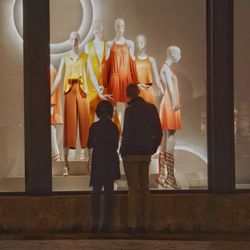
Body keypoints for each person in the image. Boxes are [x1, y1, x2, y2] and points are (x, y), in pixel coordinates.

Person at [51, 31, 106, 176]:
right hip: (69, 92)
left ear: (79, 40)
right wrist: (50, 92)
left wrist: (100, 93)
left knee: (85, 125)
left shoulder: (85, 57)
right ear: (69, 40)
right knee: (69, 126)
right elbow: (58, 78)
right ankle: (66, 164)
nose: (74, 41)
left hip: (82, 92)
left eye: (76, 38)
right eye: (72, 39)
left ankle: (90, 161)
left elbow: (92, 75)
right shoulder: (65, 57)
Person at [120, 84, 162, 233]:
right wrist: (152, 148)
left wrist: (122, 151)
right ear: (139, 92)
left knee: (133, 189)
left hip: (131, 153)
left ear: (127, 94)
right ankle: (145, 222)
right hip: (145, 153)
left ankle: (133, 223)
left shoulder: (129, 110)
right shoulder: (151, 108)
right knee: (145, 188)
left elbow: (127, 134)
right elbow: (158, 131)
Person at [87, 100, 120, 233]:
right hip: (110, 161)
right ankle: (106, 221)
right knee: (109, 192)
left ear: (98, 112)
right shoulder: (114, 127)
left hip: (98, 160)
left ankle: (96, 220)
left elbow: (89, 144)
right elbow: (116, 145)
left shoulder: (94, 127)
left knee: (96, 192)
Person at [155, 46, 182, 189]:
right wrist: (175, 102)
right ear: (172, 53)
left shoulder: (166, 69)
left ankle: (163, 176)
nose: (180, 56)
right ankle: (169, 177)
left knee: (166, 137)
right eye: (179, 53)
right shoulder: (165, 69)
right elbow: (170, 88)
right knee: (170, 136)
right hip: (170, 103)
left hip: (168, 102)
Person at [135, 34, 163, 104]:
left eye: (141, 42)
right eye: (138, 42)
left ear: (145, 42)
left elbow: (157, 77)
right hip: (137, 91)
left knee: (149, 111)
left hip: (148, 90)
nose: (139, 45)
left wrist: (160, 87)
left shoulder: (151, 59)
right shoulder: (133, 59)